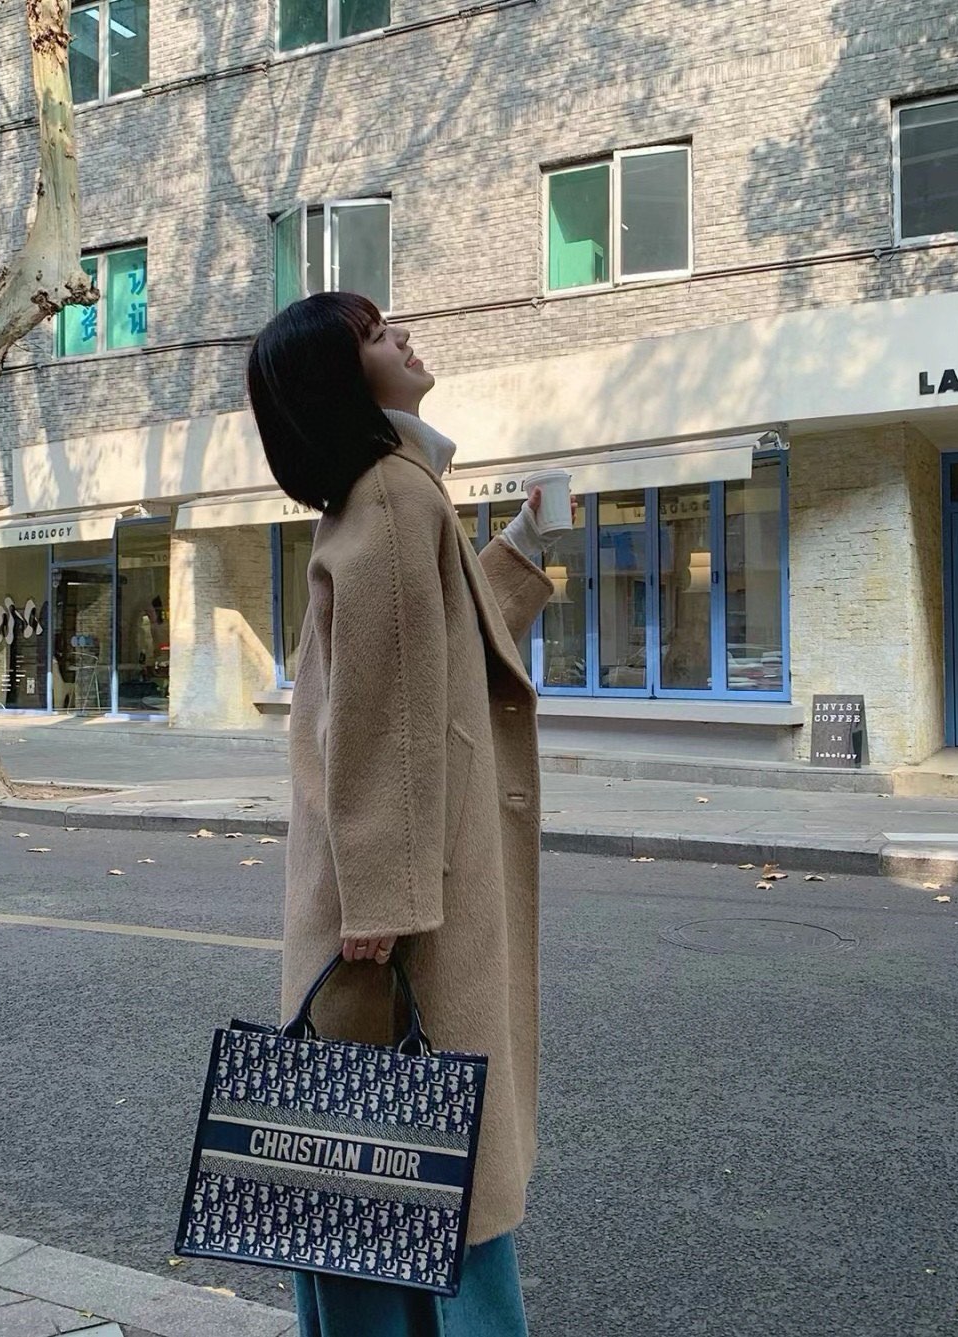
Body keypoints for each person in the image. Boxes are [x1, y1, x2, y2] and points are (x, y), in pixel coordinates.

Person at [247, 292, 559, 1337]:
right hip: (398, 911)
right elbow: (384, 715)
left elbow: (434, 647)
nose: (405, 338)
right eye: (377, 335)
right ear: (344, 379)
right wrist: (382, 902)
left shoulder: (387, 493)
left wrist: (521, 542)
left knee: (370, 1177)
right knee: (420, 1168)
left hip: (390, 887)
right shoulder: (391, 498)